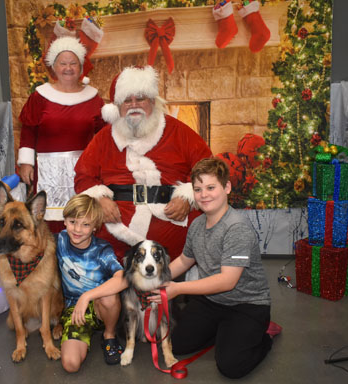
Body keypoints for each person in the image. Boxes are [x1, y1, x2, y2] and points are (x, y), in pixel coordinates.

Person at [151, 157, 281, 379]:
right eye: (198, 189)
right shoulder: (197, 224)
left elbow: (226, 281)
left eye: (211, 187)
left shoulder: (237, 228)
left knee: (231, 366)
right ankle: (226, 333)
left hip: (246, 304)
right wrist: (156, 280)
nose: (204, 195)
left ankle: (263, 335)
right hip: (211, 301)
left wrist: (178, 289)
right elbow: (184, 260)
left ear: (227, 187)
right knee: (178, 345)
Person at [74, 65, 212, 262]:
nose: (134, 105)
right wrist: (99, 200)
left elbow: (208, 169)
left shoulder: (178, 131)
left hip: (172, 230)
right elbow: (83, 176)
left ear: (153, 101)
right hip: (115, 230)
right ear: (118, 107)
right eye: (127, 101)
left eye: (140, 99)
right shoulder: (104, 138)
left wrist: (188, 197)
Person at [17, 36, 105, 233]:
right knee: (48, 222)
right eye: (63, 63)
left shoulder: (93, 98)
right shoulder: (40, 96)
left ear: (81, 67)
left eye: (73, 63)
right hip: (48, 170)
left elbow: (102, 136)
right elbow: (29, 130)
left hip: (83, 169)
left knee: (82, 218)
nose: (68, 68)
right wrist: (26, 163)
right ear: (54, 67)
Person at [56, 194, 126, 372]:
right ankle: (81, 335)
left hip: (101, 307)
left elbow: (123, 278)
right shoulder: (59, 241)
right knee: (71, 365)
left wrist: (87, 296)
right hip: (74, 311)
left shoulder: (102, 249)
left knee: (109, 295)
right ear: (64, 221)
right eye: (73, 222)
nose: (77, 229)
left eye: (85, 224)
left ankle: (109, 335)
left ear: (95, 227)